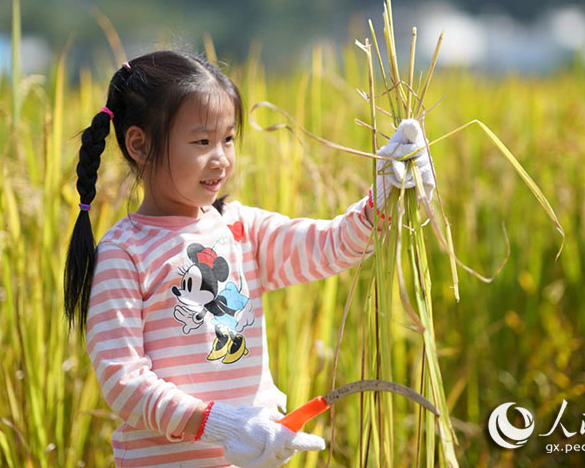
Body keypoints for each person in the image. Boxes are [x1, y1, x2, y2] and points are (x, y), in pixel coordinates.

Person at [63, 50, 435, 468]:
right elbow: (124, 381)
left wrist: (384, 196)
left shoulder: (239, 228)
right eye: (202, 141)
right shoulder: (124, 253)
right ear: (140, 145)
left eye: (228, 139)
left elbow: (329, 245)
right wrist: (219, 424)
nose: (221, 158)